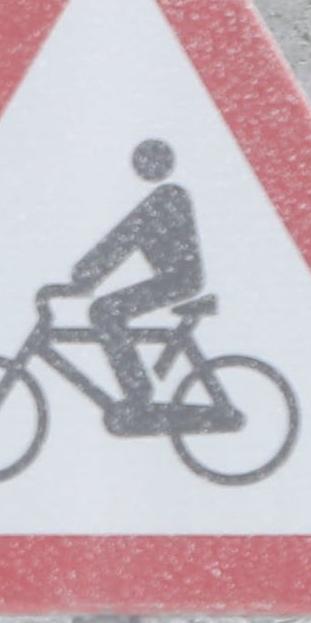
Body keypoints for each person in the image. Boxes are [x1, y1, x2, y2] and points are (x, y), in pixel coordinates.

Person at [63, 139, 202, 423]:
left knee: (104, 311)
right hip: (175, 277)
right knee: (106, 311)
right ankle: (139, 391)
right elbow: (125, 238)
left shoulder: (166, 197)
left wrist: (85, 274)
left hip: (179, 280)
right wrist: (87, 275)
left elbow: (125, 237)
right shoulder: (163, 196)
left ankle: (139, 396)